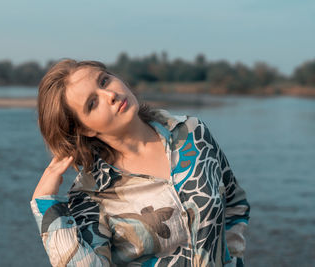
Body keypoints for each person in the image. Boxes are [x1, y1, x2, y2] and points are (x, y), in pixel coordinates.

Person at [30, 59, 250, 266]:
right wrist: (46, 207)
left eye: (104, 80)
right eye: (93, 103)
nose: (110, 95)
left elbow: (234, 204)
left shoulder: (193, 133)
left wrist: (234, 259)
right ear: (85, 129)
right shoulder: (91, 194)